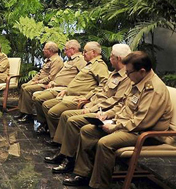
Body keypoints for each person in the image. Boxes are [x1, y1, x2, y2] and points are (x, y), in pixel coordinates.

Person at [63, 51, 173, 189]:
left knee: (105, 143)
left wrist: (114, 127)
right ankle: (83, 174)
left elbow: (141, 122)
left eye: (129, 72)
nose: (126, 75)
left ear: (141, 71)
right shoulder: (137, 81)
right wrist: (107, 116)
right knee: (87, 131)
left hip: (146, 133)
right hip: (128, 126)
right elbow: (123, 106)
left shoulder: (153, 89)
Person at [46, 44, 132, 173]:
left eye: (112, 56)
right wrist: (89, 103)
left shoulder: (127, 77)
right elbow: (101, 91)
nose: (109, 58)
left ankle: (69, 159)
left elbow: (115, 101)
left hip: (105, 113)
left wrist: (93, 109)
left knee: (72, 120)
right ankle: (65, 154)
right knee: (66, 116)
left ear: (118, 58)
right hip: (95, 106)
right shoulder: (114, 73)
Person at [40, 41, 109, 139]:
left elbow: (103, 85)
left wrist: (87, 97)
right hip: (68, 94)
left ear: (93, 52)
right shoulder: (89, 64)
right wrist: (67, 90)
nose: (83, 53)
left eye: (85, 51)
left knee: (53, 112)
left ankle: (60, 138)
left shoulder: (99, 65)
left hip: (78, 98)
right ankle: (58, 136)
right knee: (47, 105)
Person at [32, 40, 86, 129]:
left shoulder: (81, 60)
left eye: (66, 49)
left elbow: (81, 77)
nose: (64, 52)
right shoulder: (69, 61)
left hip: (63, 88)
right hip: (55, 86)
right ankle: (45, 123)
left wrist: (68, 88)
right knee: (36, 97)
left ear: (72, 49)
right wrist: (53, 82)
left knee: (39, 99)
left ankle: (47, 125)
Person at [16, 42, 63, 122]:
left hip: (47, 84)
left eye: (44, 49)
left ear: (50, 50)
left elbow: (51, 77)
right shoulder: (49, 60)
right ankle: (22, 112)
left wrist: (38, 82)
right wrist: (32, 81)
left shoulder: (57, 60)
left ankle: (28, 114)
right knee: (24, 85)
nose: (43, 50)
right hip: (40, 82)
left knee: (27, 89)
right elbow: (40, 73)